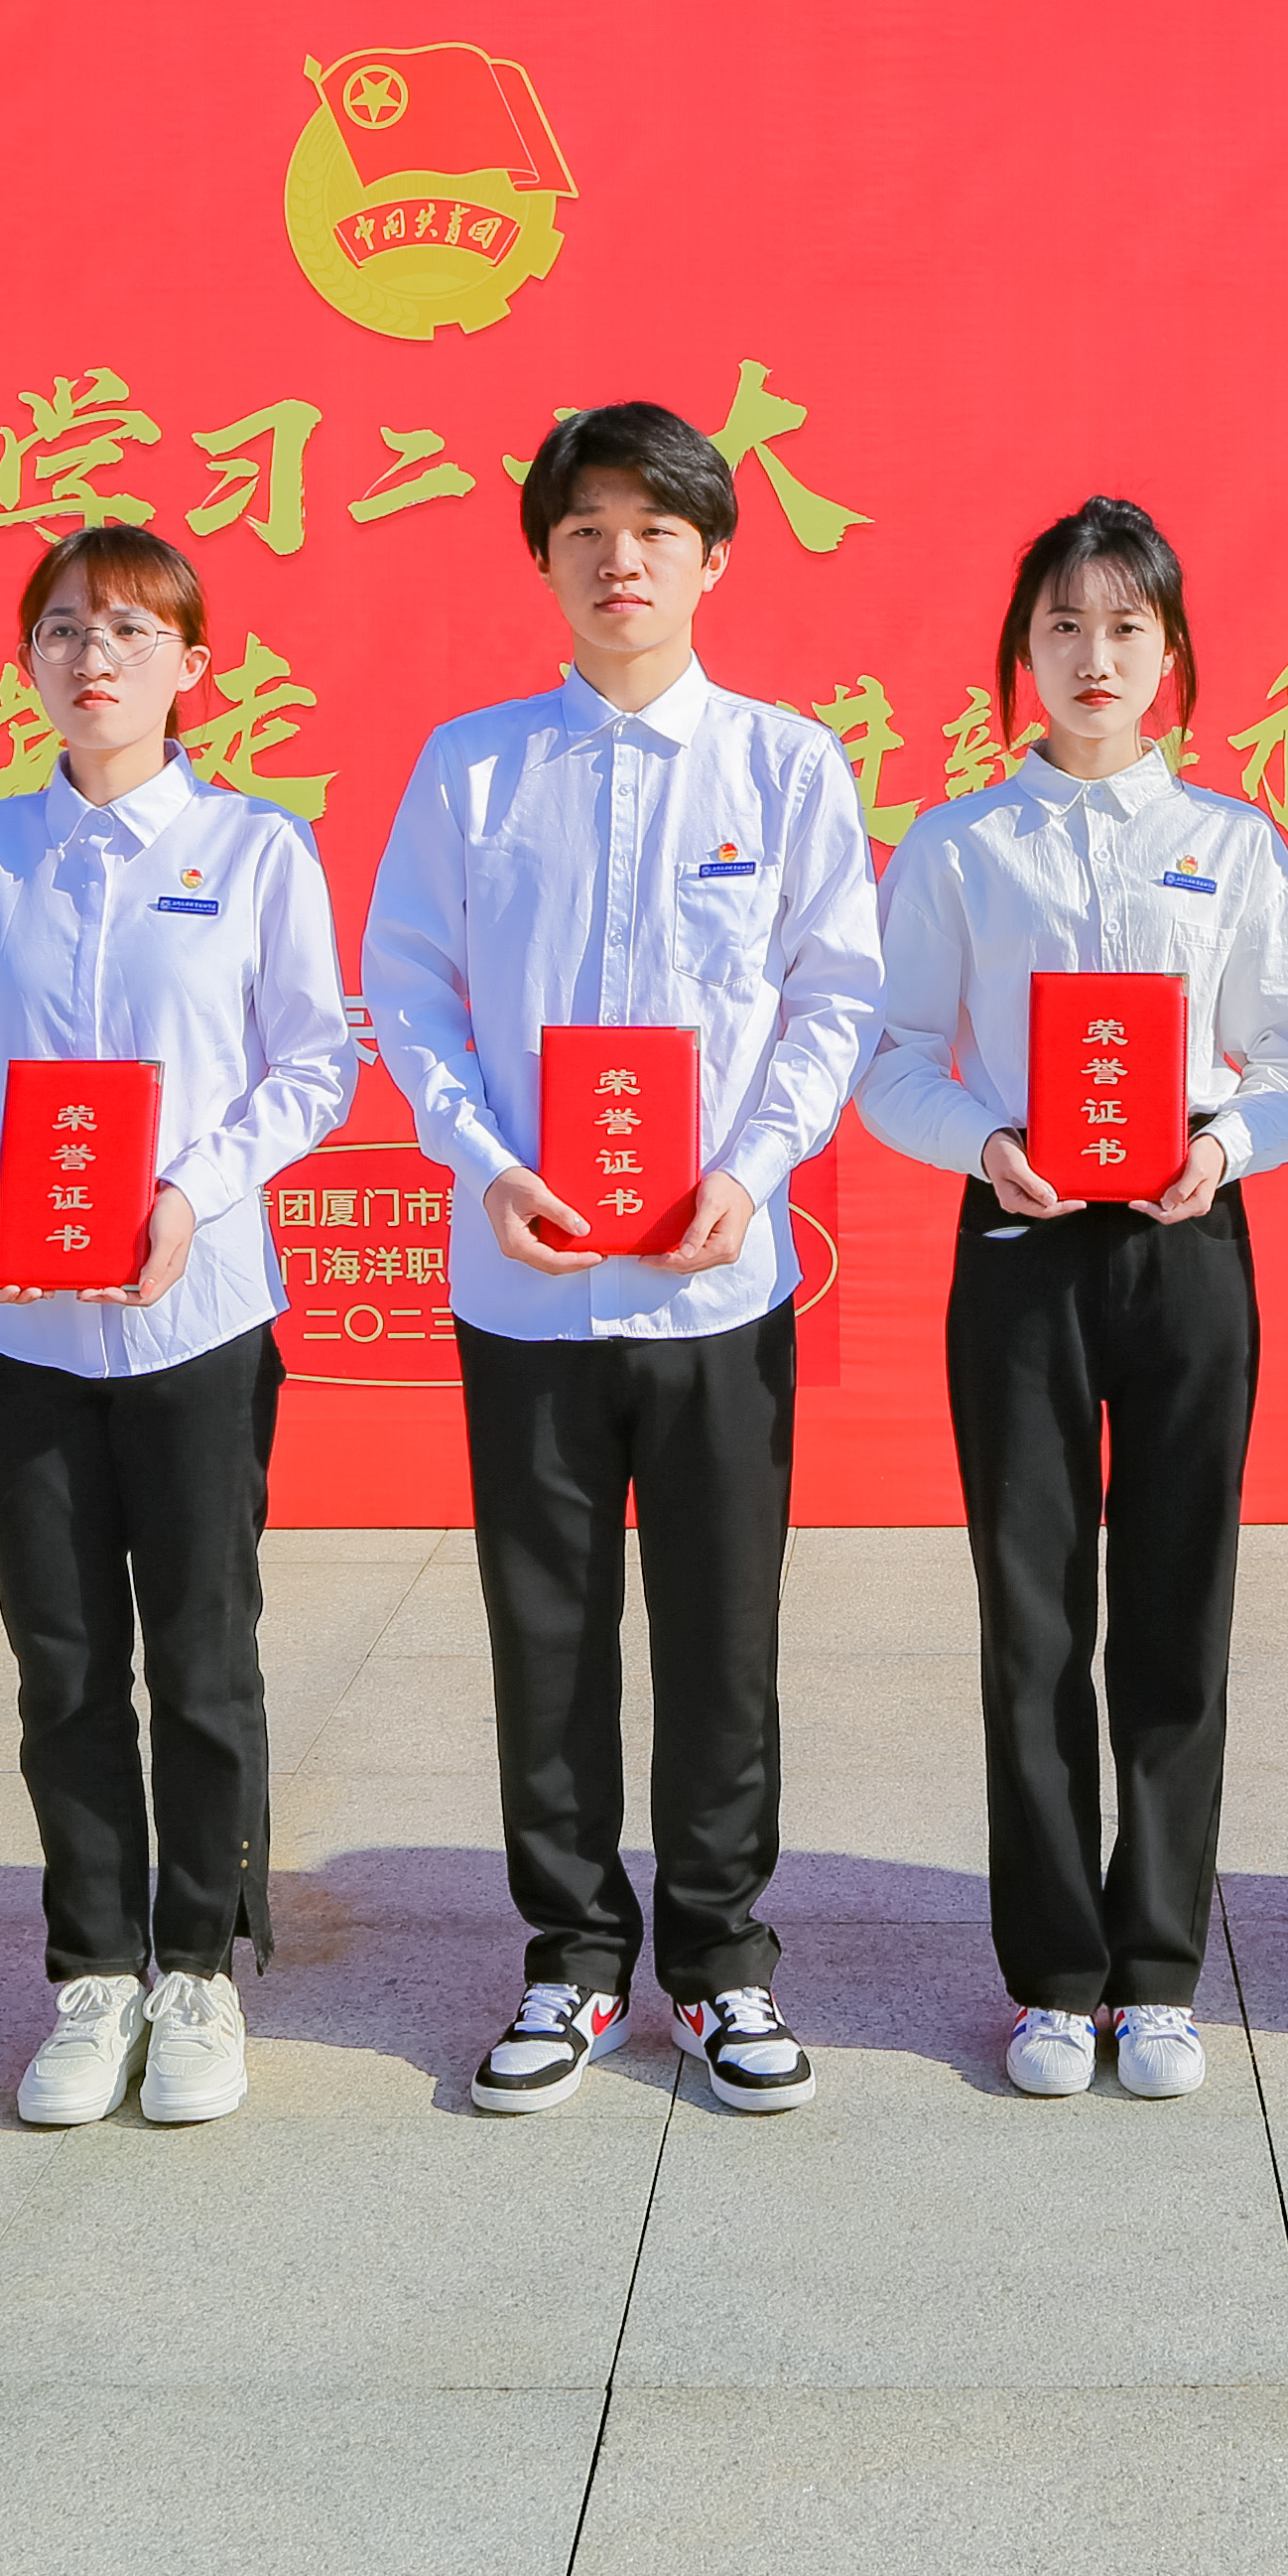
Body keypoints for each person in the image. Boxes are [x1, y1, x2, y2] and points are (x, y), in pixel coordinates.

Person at [363, 401, 886, 2114]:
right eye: (585, 529)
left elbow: (836, 997)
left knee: (724, 1630)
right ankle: (575, 1955)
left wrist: (753, 1165)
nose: (622, 560)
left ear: (714, 555)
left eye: (657, 529)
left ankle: (724, 1960)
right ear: (543, 557)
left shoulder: (786, 767)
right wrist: (488, 1161)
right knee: (547, 1630)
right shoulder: (474, 767)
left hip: (717, 1281)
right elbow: (411, 990)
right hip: (528, 1279)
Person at [857, 498, 1288, 2100]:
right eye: (1063, 626)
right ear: (1022, 651)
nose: (1094, 656)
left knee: (1178, 1603)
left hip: (1185, 1239)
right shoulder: (960, 847)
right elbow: (891, 1058)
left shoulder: (1231, 844)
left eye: (1127, 627)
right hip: (1020, 1241)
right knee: (1034, 1612)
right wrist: (982, 1142)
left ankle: (1158, 1970)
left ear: (1173, 653)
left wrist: (1228, 1143)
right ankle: (1056, 1975)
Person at [0, 524, 354, 2128]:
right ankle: (92, 1971)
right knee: (65, 1660)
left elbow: (315, 1064)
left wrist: (190, 1193)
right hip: (17, 1327)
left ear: (192, 665)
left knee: (206, 1657)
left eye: (133, 632)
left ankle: (198, 1968)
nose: (95, 658)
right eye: (66, 630)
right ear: (27, 661)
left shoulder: (255, 847)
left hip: (197, 1315)